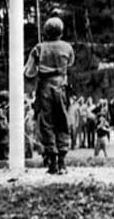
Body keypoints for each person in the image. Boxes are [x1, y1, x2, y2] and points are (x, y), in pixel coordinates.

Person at [24, 15, 74, 175]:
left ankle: (52, 161)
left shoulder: (38, 48)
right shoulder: (67, 47)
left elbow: (29, 72)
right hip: (61, 87)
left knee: (47, 123)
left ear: (45, 31)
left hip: (45, 87)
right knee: (62, 121)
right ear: (61, 31)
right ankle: (62, 162)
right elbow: (71, 62)